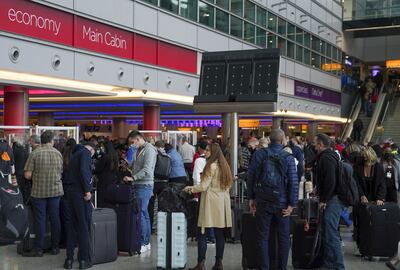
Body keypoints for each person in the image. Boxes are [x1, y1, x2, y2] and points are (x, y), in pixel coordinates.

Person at [247, 129, 298, 270]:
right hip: (282, 203)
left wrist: (251, 198)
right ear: (282, 141)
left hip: (263, 201)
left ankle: (264, 267)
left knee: (262, 237)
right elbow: (293, 182)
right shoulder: (288, 157)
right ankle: (281, 267)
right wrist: (292, 204)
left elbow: (251, 176)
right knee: (283, 238)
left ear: (269, 140)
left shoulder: (259, 154)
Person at [184, 143, 233, 270]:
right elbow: (229, 185)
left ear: (214, 152)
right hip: (222, 203)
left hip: (210, 203)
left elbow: (203, 186)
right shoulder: (225, 166)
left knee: (202, 233)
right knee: (219, 234)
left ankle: (201, 264)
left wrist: (190, 189)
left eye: (207, 150)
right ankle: (219, 263)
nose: (205, 152)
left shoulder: (210, 166)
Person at [23, 131, 63, 257]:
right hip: (55, 191)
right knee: (55, 219)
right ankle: (55, 247)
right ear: (51, 141)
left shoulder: (35, 153)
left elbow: (27, 175)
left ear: (42, 140)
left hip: (38, 192)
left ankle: (38, 249)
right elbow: (60, 172)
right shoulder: (58, 153)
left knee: (40, 220)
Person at [314, 133, 345, 270]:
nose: (314, 146)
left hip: (332, 200)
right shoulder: (331, 156)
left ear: (321, 144)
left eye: (316, 144)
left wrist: (324, 200)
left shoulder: (326, 158)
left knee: (331, 235)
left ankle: (339, 266)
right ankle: (329, 264)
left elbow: (331, 181)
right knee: (327, 233)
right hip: (332, 199)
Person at [123, 131, 157, 254]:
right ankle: (146, 242)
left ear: (138, 139)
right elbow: (132, 166)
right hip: (138, 184)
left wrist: (134, 178)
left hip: (144, 185)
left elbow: (147, 170)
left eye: (132, 142)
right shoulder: (138, 150)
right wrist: (129, 157)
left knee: (141, 213)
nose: (132, 145)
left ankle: (143, 242)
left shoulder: (149, 150)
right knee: (144, 213)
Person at [63, 141, 95, 270]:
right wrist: (87, 190)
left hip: (70, 193)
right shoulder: (85, 153)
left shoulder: (74, 154)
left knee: (72, 226)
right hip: (81, 193)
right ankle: (83, 260)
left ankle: (69, 260)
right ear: (91, 149)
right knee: (83, 225)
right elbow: (84, 171)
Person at [60, 138, 77, 264]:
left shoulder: (62, 156)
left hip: (64, 189)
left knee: (66, 217)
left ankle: (66, 241)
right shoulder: (76, 156)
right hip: (75, 191)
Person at [94, 141, 119, 207]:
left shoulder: (105, 157)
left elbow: (99, 169)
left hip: (103, 180)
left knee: (102, 199)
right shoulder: (115, 156)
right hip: (112, 179)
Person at [12, 138, 29, 203]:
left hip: (17, 171)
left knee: (17, 187)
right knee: (23, 188)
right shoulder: (26, 151)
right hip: (24, 172)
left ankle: (18, 200)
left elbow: (13, 162)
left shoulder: (15, 151)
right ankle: (24, 200)